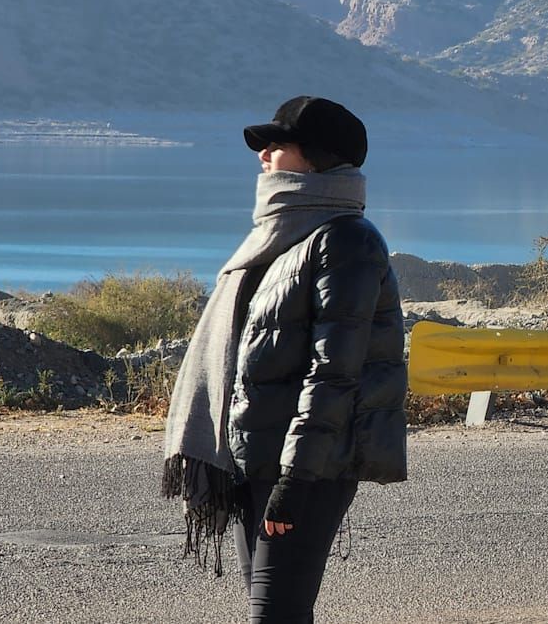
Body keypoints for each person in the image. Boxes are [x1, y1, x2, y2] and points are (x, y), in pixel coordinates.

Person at [161, 95, 408, 622]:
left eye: (277, 145)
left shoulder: (346, 243)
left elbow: (334, 375)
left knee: (275, 616)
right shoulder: (280, 237)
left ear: (313, 158)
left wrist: (295, 484)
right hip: (258, 457)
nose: (263, 157)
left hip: (306, 467)